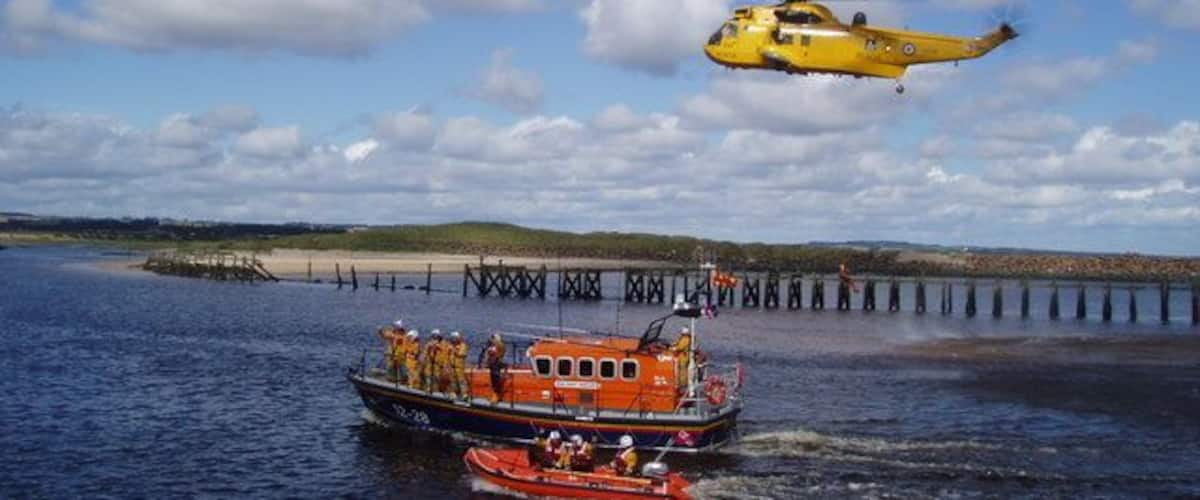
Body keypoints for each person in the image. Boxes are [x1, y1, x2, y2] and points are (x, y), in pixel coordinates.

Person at [484, 333, 507, 404]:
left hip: (496, 365)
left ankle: (497, 396)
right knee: (493, 379)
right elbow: (488, 354)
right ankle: (495, 395)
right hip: (492, 364)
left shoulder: (500, 345)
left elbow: (501, 353)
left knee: (496, 380)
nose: (492, 340)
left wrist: (493, 353)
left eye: (493, 339)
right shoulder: (492, 346)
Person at [448, 331, 470, 400]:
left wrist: (454, 350)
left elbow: (461, 354)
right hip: (452, 365)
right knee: (453, 380)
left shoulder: (463, 345)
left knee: (461, 380)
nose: (454, 340)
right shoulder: (450, 345)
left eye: (455, 338)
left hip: (459, 366)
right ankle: (454, 393)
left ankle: (464, 394)